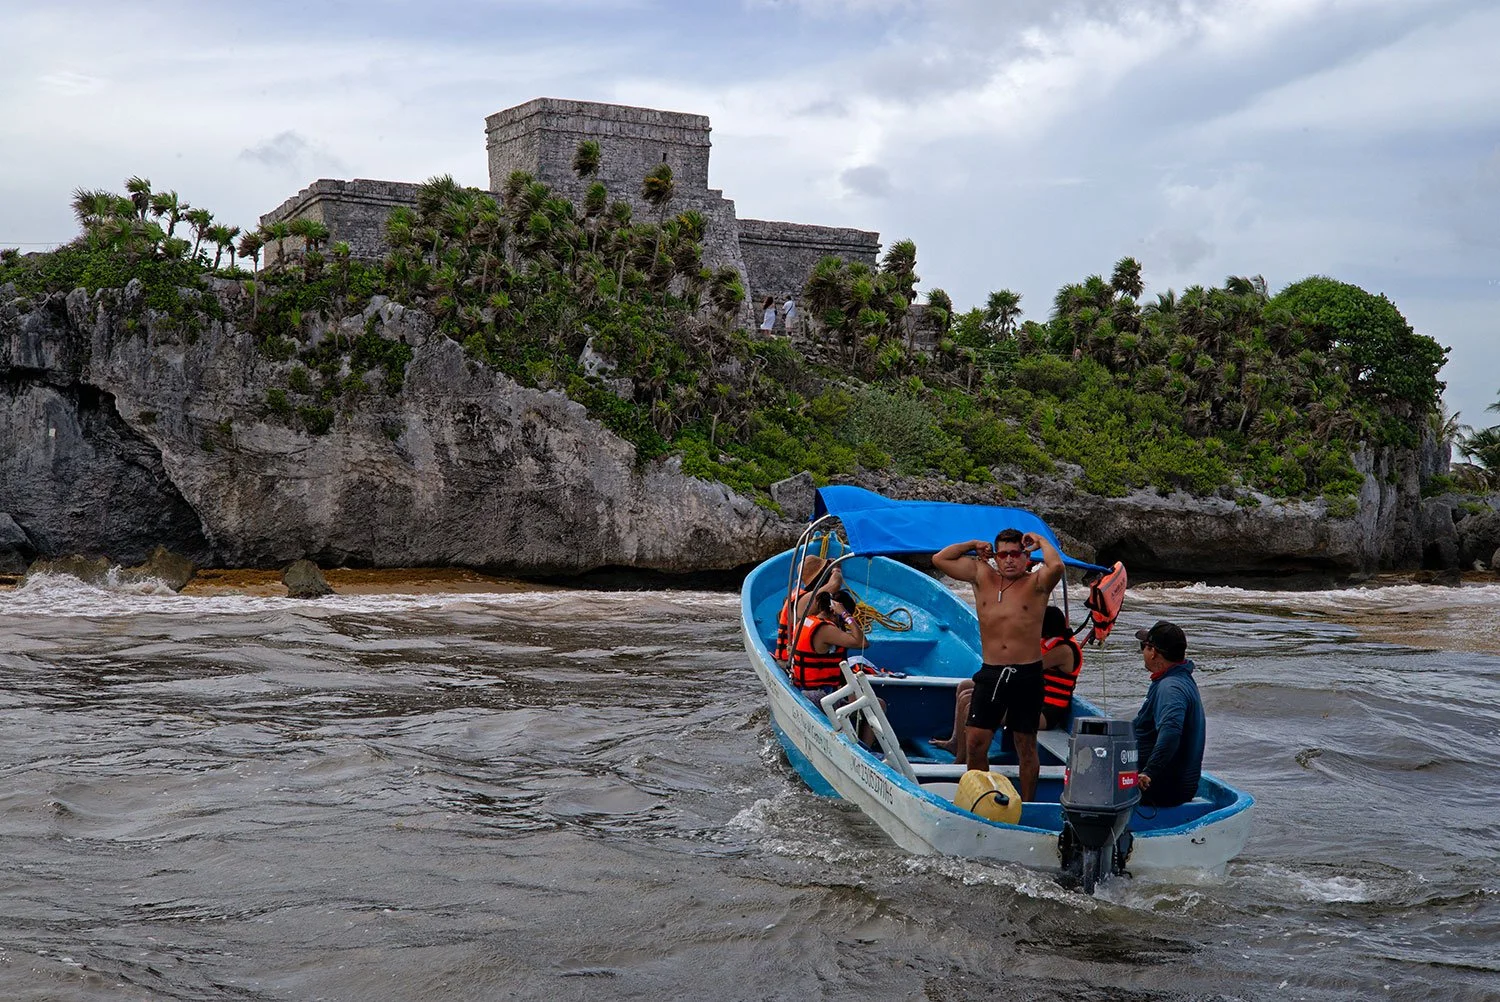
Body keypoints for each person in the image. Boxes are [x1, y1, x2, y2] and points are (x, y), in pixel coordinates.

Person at [932, 528, 1064, 801]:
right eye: (1003, 554)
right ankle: (982, 799)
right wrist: (971, 543)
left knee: (1025, 745)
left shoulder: (1036, 583)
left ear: (1025, 556)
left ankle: (1027, 804)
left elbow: (1057, 566)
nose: (1009, 560)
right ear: (995, 556)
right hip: (992, 673)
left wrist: (1040, 541)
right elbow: (940, 560)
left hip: (1027, 675)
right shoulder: (983, 575)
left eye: (1015, 554)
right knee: (976, 741)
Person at [934, 604, 1077, 765]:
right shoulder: (1047, 642)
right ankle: (955, 743)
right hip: (1029, 700)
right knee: (965, 687)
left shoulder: (1064, 650)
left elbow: (1025, 668)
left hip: (1045, 712)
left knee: (969, 703)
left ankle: (962, 760)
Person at [1131, 620, 1205, 808]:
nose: (1143, 652)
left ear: (1153, 652)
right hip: (1171, 784)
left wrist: (1149, 772)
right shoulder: (1180, 679)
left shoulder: (1170, 688)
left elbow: (1171, 733)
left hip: (1161, 788)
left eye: (1144, 646)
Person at [788, 589, 865, 693]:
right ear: (834, 611)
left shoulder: (806, 621)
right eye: (841, 619)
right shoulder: (825, 630)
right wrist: (846, 615)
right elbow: (862, 643)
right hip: (820, 693)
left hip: (803, 686)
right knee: (880, 704)